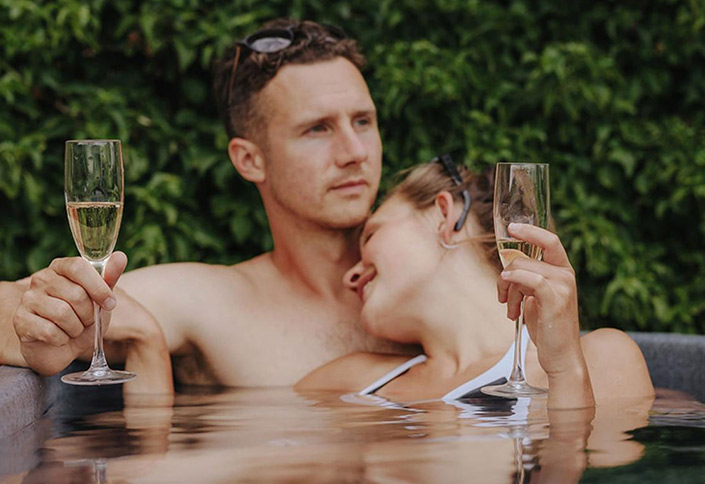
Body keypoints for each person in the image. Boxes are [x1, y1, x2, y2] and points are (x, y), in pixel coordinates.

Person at [0, 19, 402, 389]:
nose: (354, 151)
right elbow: (10, 304)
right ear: (249, 159)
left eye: (363, 122)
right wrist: (43, 319)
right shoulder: (215, 304)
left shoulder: (434, 266)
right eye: (318, 129)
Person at [297, 161, 654, 405]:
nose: (351, 275)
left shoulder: (598, 359)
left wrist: (563, 370)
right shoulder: (346, 380)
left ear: (443, 215)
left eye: (370, 236)